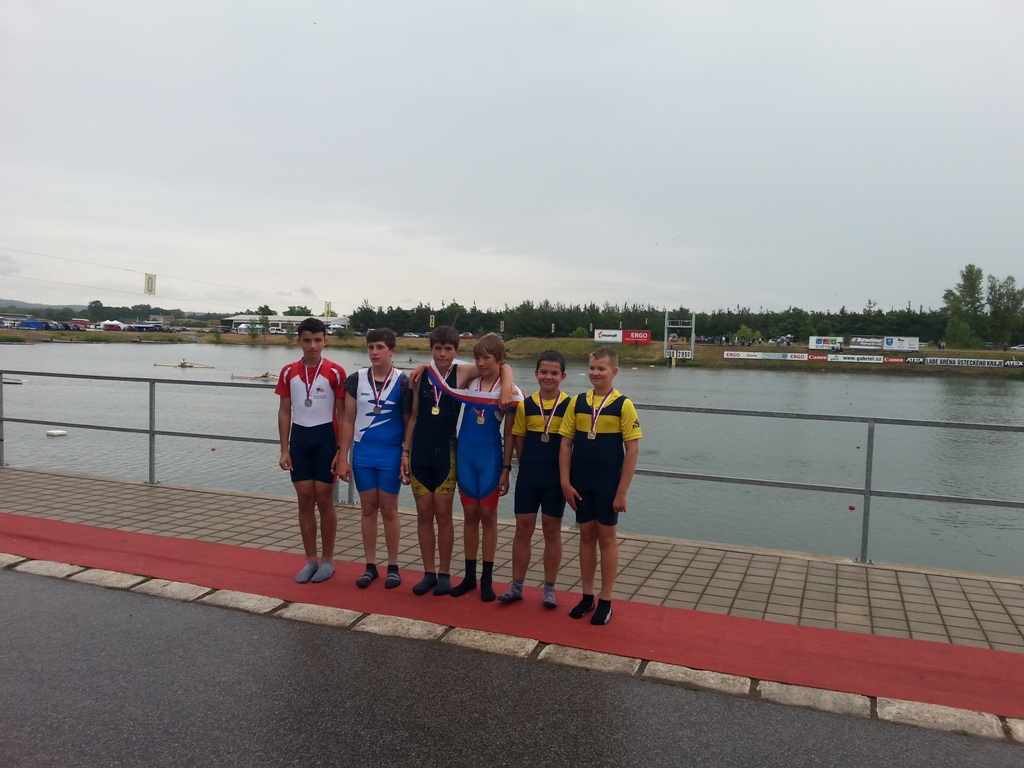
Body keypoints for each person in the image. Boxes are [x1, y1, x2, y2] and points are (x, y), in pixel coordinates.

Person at [559, 346, 642, 625]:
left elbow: (632, 451)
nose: (595, 373)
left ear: (614, 372)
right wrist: (565, 482)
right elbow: (566, 444)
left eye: (601, 368)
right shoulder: (577, 402)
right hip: (581, 482)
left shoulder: (623, 405)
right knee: (586, 535)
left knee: (606, 538)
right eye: (592, 367)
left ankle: (605, 600)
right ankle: (587, 596)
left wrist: (622, 492)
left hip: (608, 484)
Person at [336, 328, 412, 589]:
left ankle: (393, 566)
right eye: (370, 347)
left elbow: (409, 423)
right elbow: (348, 420)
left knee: (389, 509)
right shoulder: (356, 380)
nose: (374, 352)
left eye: (380, 347)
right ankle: (370, 566)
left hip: (390, 453)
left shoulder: (403, 382)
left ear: (392, 351)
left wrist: (406, 454)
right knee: (368, 508)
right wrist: (342, 457)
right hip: (363, 453)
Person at [276, 317, 347, 584]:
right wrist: (284, 448)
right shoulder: (288, 372)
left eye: (317, 340)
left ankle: (327, 560)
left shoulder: (336, 372)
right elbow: (284, 411)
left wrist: (341, 451)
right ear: (299, 342)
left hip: (326, 438)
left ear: (325, 341)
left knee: (324, 499)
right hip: (300, 439)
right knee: (305, 499)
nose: (312, 345)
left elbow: (343, 414)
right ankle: (310, 560)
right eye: (307, 340)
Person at [498, 350, 570, 608]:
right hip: (529, 476)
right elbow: (517, 440)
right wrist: (510, 469)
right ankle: (517, 586)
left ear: (563, 376)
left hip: (555, 478)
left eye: (554, 373)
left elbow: (571, 444)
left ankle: (549, 589)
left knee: (552, 530)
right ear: (536, 374)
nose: (548, 377)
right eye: (544, 372)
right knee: (523, 529)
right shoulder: (526, 405)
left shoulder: (570, 405)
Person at [449, 333, 517, 602]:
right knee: (469, 515)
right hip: (465, 457)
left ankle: (486, 579)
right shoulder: (470, 381)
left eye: (486, 357)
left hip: (490, 458)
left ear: (499, 359)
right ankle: (469, 577)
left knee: (488, 516)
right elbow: (444, 370)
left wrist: (506, 468)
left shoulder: (510, 391)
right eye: (477, 357)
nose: (480, 362)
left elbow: (510, 434)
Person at [401, 326, 464, 596]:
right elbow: (414, 417)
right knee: (424, 515)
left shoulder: (461, 374)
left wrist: (427, 365)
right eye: (437, 349)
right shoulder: (420, 378)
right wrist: (405, 452)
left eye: (448, 349)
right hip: (420, 453)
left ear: (456, 352)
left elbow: (497, 365)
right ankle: (428, 572)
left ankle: (445, 573)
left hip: (446, 452)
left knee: (444, 515)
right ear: (431, 349)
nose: (442, 354)